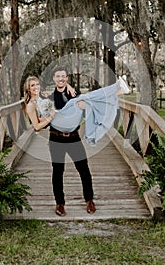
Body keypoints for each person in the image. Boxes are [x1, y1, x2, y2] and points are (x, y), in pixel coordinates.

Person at [24, 70, 130, 217]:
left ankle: (89, 200)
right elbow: (36, 126)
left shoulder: (47, 96)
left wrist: (69, 88)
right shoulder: (31, 104)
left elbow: (65, 97)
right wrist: (50, 117)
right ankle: (60, 203)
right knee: (57, 171)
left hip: (73, 136)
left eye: (37, 84)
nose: (36, 87)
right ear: (28, 89)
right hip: (56, 137)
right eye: (32, 85)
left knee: (84, 169)